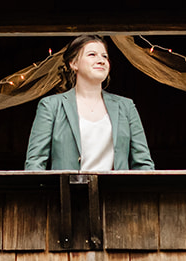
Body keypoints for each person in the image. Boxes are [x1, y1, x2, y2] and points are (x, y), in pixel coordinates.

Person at [24, 34, 154, 171]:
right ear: (73, 63)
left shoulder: (126, 106)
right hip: (66, 191)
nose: (101, 60)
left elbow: (144, 164)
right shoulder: (50, 106)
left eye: (104, 56)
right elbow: (35, 164)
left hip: (115, 192)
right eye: (92, 54)